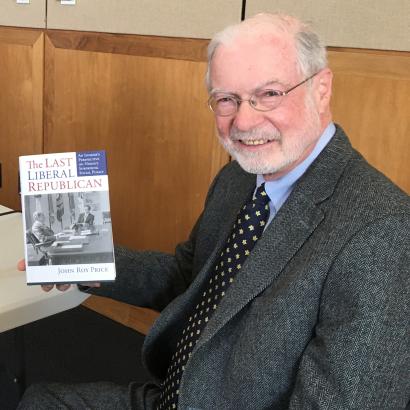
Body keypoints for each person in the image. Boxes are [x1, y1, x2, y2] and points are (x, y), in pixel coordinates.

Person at [17, 13, 409, 410]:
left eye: (269, 94)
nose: (244, 120)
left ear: (321, 89)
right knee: (40, 401)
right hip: (182, 392)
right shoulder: (239, 177)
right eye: (226, 99)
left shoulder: (382, 233)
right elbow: (190, 277)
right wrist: (84, 261)